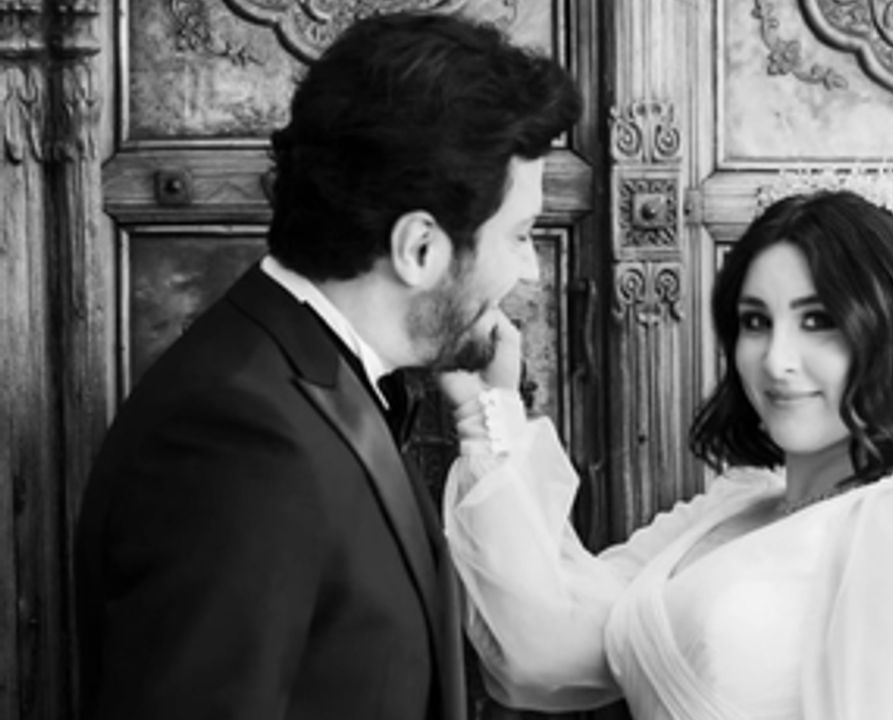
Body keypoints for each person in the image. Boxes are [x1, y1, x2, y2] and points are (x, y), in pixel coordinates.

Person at [438, 170, 893, 719]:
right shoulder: (732, 507)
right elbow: (543, 653)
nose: (778, 360)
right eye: (756, 322)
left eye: (819, 321)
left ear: (887, 337)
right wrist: (488, 410)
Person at [74, 12, 580, 720]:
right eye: (520, 235)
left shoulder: (307, 378)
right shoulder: (238, 440)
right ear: (420, 249)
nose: (528, 271)